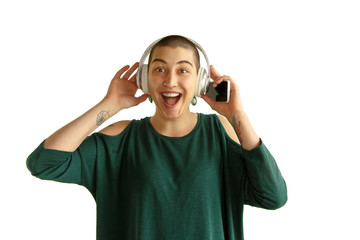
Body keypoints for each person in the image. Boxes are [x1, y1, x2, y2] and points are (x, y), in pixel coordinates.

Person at [27, 35, 287, 240]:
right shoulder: (121, 139)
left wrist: (237, 116)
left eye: (183, 70)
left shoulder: (220, 132)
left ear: (200, 82)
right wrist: (111, 104)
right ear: (145, 79)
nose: (170, 81)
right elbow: (44, 163)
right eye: (159, 69)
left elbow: (273, 196)